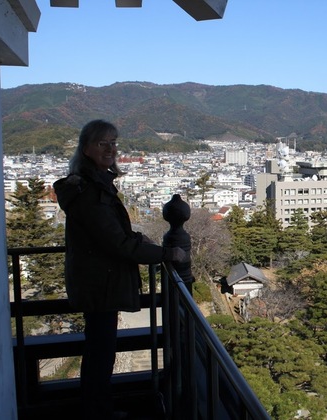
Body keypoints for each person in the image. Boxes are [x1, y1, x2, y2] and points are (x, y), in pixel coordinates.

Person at [54, 119, 188, 419]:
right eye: (103, 143)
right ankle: (98, 412)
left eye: (113, 143)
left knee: (99, 351)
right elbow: (117, 243)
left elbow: (116, 236)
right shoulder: (91, 192)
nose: (111, 149)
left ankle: (98, 408)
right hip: (101, 282)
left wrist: (143, 241)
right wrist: (165, 253)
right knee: (100, 354)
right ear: (86, 148)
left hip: (97, 280)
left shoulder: (89, 184)